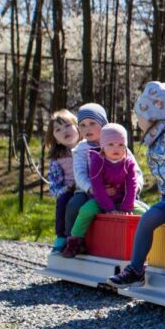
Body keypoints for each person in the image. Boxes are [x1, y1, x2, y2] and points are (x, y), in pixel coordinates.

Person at [108, 82, 165, 288]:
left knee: (148, 219)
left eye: (138, 116)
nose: (136, 120)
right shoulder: (157, 136)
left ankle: (136, 269)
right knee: (148, 217)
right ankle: (138, 266)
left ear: (152, 115)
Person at [61, 124, 139, 257]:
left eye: (120, 145)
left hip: (122, 200)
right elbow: (97, 186)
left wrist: (126, 208)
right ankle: (74, 241)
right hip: (101, 200)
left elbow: (132, 185)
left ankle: (140, 245)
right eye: (111, 144)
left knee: (145, 212)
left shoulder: (128, 163)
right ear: (103, 146)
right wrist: (109, 208)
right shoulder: (97, 160)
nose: (116, 148)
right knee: (85, 211)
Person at [64, 102, 107, 237]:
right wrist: (90, 188)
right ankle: (70, 238)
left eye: (92, 123)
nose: (87, 128)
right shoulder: (81, 149)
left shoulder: (115, 142)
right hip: (87, 190)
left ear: (103, 124)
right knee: (74, 205)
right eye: (82, 125)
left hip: (114, 188)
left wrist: (137, 187)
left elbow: (133, 168)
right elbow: (80, 173)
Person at [46, 110, 80, 253]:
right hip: (69, 191)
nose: (64, 131)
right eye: (58, 130)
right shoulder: (58, 158)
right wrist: (65, 190)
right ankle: (62, 236)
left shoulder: (89, 148)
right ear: (56, 139)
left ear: (78, 128)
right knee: (63, 203)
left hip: (89, 188)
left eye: (67, 126)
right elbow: (54, 185)